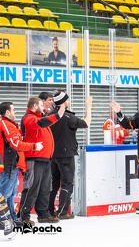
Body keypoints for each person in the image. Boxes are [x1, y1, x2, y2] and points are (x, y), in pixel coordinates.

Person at [18, 97, 65, 225]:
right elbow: (42, 122)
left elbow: (45, 121)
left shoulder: (39, 117)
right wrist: (58, 114)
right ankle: (23, 215)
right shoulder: (29, 118)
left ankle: (43, 214)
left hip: (45, 159)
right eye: (40, 105)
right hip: (34, 159)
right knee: (31, 187)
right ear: (34, 106)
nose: (44, 107)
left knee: (45, 188)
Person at [48, 91, 93, 220]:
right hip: (66, 154)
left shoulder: (50, 115)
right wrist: (88, 107)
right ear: (63, 102)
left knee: (54, 183)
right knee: (67, 182)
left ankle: (50, 210)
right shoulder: (67, 117)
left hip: (53, 154)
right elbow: (86, 123)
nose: (68, 102)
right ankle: (62, 212)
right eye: (67, 100)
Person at [0, 102, 43, 225]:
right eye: (13, 110)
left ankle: (11, 218)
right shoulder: (5, 124)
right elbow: (15, 144)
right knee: (4, 195)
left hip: (12, 165)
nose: (15, 113)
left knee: (10, 194)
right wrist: (34, 146)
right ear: (7, 112)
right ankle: (4, 220)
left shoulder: (10, 125)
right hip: (7, 166)